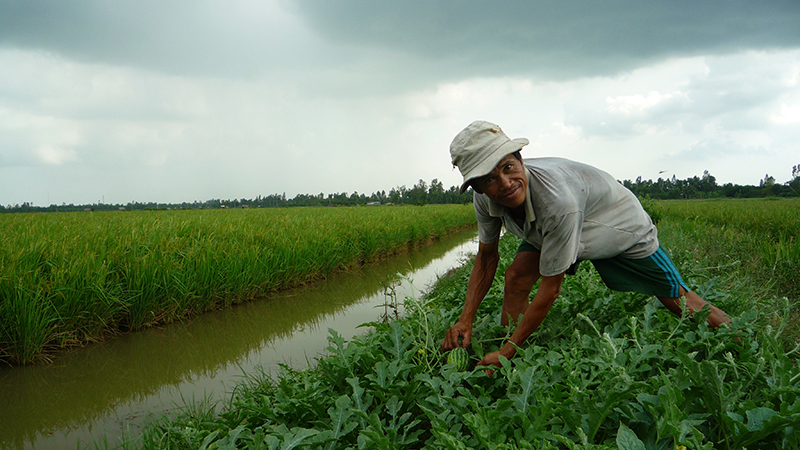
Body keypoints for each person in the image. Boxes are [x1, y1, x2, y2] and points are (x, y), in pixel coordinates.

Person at [440, 120, 732, 371]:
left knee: (676, 298)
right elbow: (487, 257)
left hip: (615, 224)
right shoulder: (484, 198)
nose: (504, 183)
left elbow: (550, 290)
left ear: (520, 159)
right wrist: (465, 319)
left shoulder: (557, 202)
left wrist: (505, 355)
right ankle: (515, 351)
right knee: (516, 276)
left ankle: (742, 339)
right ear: (478, 187)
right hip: (550, 227)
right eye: (490, 179)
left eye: (508, 167)